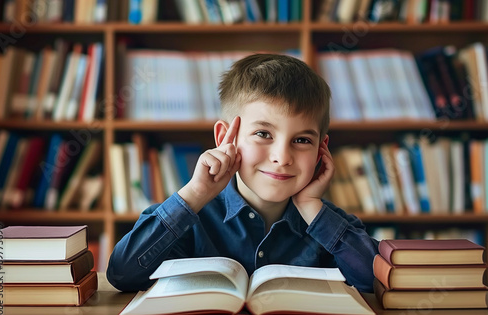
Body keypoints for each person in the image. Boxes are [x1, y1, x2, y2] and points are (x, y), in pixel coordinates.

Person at [106, 53, 379, 293]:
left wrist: (312, 209)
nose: (282, 157)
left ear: (321, 150)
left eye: (302, 140)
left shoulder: (328, 223)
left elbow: (376, 281)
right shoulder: (192, 217)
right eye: (263, 134)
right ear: (226, 137)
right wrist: (196, 194)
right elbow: (123, 274)